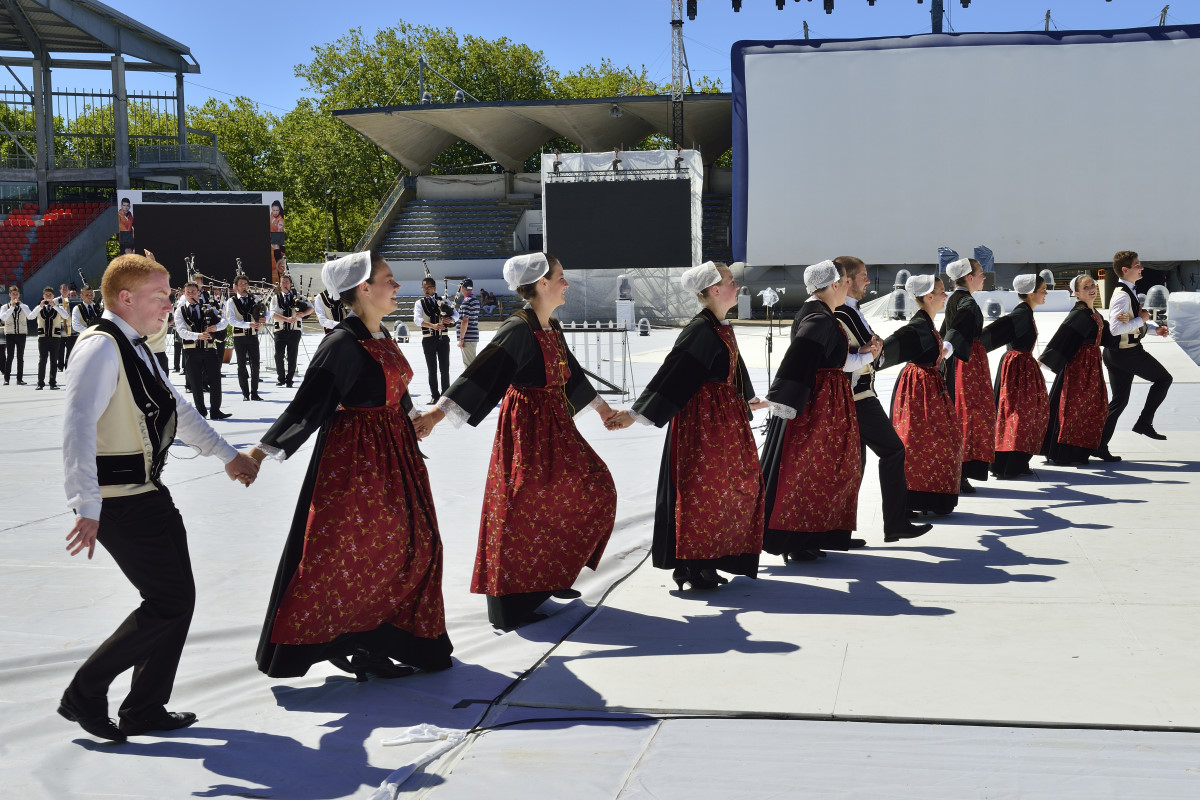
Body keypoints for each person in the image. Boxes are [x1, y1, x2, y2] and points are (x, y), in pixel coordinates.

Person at [59, 253, 259, 742]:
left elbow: (179, 410)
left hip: (149, 492)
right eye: (161, 295)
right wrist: (86, 505)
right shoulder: (100, 348)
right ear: (125, 298)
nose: (170, 303)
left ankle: (145, 707)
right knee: (168, 600)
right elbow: (77, 426)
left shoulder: (139, 346)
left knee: (177, 599)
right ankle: (85, 691)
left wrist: (227, 455)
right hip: (119, 500)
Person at [249, 252, 452, 680]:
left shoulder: (380, 335)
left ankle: (376, 637)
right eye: (388, 279)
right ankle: (359, 642)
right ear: (363, 288)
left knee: (417, 546)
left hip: (394, 453)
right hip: (357, 461)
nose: (397, 287)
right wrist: (261, 452)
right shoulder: (341, 343)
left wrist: (413, 419)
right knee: (362, 552)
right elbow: (309, 404)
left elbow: (393, 386)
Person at [413, 252, 619, 630]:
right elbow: (480, 375)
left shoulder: (550, 326)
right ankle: (511, 597)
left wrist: (605, 411)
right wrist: (435, 415)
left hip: (555, 422)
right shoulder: (518, 328)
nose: (566, 284)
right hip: (527, 426)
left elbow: (571, 374)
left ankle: (548, 576)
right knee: (522, 503)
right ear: (541, 283)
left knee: (592, 486)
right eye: (560, 277)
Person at [607, 261, 767, 589]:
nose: (736, 286)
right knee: (702, 490)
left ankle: (706, 559)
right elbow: (674, 373)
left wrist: (746, 398)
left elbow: (733, 368)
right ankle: (694, 565)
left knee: (728, 487)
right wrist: (636, 413)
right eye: (730, 281)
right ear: (713, 290)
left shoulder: (719, 325)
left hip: (722, 419)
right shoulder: (700, 329)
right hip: (703, 423)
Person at [758, 260, 863, 562]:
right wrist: (777, 399)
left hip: (826, 402)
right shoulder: (819, 318)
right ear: (833, 285)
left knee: (824, 469)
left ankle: (811, 534)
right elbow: (800, 357)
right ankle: (795, 537)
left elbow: (830, 360)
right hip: (817, 406)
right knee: (807, 469)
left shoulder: (821, 314)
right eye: (845, 282)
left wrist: (864, 354)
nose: (849, 287)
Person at [833, 257, 932, 543]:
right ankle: (895, 522)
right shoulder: (843, 312)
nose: (867, 280)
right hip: (857, 397)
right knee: (893, 451)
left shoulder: (852, 310)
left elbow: (875, 350)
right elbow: (856, 356)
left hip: (860, 395)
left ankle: (840, 530)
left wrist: (874, 351)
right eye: (862, 276)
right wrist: (871, 353)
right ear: (848, 281)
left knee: (857, 463)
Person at [881, 274, 963, 515]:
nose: (945, 295)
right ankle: (915, 498)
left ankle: (928, 496)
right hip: (919, 390)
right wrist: (873, 352)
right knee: (920, 442)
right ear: (928, 296)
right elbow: (887, 350)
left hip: (928, 389)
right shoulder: (917, 326)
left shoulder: (926, 323)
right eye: (940, 291)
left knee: (937, 441)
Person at [1098, 250, 1172, 459]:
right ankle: (1144, 422)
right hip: (1127, 354)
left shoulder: (1127, 291)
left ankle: (1099, 444)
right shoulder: (1122, 295)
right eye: (1137, 265)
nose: (1141, 268)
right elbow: (1114, 329)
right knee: (1164, 379)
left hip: (1117, 354)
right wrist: (1142, 319)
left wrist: (1152, 328)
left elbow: (1130, 323)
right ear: (1125, 269)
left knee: (1119, 401)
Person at [981, 274, 1050, 479]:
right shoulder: (1021, 315)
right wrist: (973, 345)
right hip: (1018, 370)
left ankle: (1013, 461)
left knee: (1020, 414)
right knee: (1016, 415)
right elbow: (993, 332)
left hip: (1022, 368)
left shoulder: (1025, 313)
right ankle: (1009, 463)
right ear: (1030, 293)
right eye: (1043, 289)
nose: (1046, 293)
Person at [1041, 274, 1111, 466]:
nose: (1092, 288)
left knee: (1090, 408)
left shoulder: (1092, 313)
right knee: (1074, 408)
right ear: (1076, 293)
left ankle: (1081, 449)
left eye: (1093, 285)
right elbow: (1062, 337)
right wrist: (1044, 361)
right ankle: (1065, 452)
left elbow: (1108, 335)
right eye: (1086, 286)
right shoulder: (1079, 314)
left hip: (1091, 366)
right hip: (1079, 367)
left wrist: (1141, 325)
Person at [939, 257, 994, 494]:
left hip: (963, 360)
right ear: (969, 277)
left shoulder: (956, 298)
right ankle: (961, 471)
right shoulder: (967, 303)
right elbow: (957, 326)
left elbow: (945, 328)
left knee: (962, 411)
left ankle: (958, 470)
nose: (984, 277)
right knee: (969, 412)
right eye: (981, 273)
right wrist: (947, 348)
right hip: (967, 364)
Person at [174, 281, 230, 419]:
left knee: (216, 380)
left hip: (209, 349)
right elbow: (181, 332)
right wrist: (198, 336)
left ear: (198, 292)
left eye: (193, 292)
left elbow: (224, 320)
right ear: (184, 294)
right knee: (196, 383)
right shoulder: (179, 311)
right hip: (191, 351)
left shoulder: (208, 307)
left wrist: (216, 328)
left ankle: (216, 411)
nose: (191, 294)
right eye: (188, 292)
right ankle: (201, 411)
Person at [414, 276, 454, 403]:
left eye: (429, 287)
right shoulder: (419, 303)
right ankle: (434, 395)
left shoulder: (443, 300)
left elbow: (456, 315)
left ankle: (445, 395)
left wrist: (450, 320)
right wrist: (432, 326)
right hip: (428, 339)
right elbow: (417, 320)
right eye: (424, 288)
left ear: (434, 288)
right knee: (432, 369)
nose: (426, 290)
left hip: (443, 338)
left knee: (444, 368)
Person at [225, 275, 265, 401]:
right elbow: (231, 320)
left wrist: (264, 318)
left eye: (245, 284)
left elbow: (265, 311)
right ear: (235, 287)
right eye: (241, 284)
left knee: (256, 364)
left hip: (253, 335)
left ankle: (254, 392)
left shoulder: (255, 298)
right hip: (239, 336)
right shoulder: (231, 301)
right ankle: (245, 393)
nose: (243, 286)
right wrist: (248, 324)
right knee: (241, 364)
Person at [269, 273, 311, 387]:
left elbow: (311, 308)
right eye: (283, 282)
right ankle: (281, 378)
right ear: (280, 285)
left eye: (287, 282)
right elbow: (272, 314)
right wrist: (286, 319)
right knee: (279, 355)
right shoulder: (275, 298)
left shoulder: (298, 296)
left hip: (295, 330)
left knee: (292, 355)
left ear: (291, 284)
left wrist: (303, 313)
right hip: (280, 330)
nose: (285, 284)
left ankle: (289, 379)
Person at [34, 286, 68, 390]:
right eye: (46, 295)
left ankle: (53, 383)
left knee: (54, 360)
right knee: (42, 360)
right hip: (43, 337)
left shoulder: (58, 306)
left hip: (55, 337)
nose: (48, 297)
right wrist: (39, 307)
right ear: (43, 296)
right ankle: (40, 383)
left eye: (50, 295)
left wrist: (55, 306)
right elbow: (30, 316)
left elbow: (66, 316)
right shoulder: (39, 307)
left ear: (53, 296)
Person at [2, 285, 33, 385]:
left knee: (20, 356)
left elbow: (30, 316)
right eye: (13, 294)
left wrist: (22, 305)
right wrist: (11, 307)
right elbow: (3, 318)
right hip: (10, 333)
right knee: (10, 356)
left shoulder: (24, 306)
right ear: (9, 295)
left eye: (16, 294)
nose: (15, 296)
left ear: (19, 294)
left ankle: (19, 379)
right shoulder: (5, 307)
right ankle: (7, 378)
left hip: (21, 333)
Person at [456, 278, 481, 366]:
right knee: (471, 364)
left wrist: (461, 339)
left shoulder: (466, 301)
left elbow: (465, 321)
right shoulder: (475, 300)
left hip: (467, 337)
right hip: (473, 336)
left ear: (462, 288)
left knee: (469, 366)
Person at [57, 283, 76, 369]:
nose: (65, 290)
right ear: (60, 291)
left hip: (69, 327)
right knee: (60, 348)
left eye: (66, 289)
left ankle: (67, 364)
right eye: (63, 289)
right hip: (60, 327)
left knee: (70, 347)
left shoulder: (72, 301)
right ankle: (60, 365)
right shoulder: (55, 301)